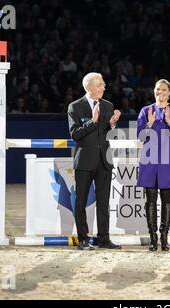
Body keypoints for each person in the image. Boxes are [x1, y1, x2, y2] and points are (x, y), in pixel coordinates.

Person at [68, 72, 122, 250]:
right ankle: (83, 239)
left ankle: (104, 239)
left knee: (103, 202)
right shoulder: (75, 107)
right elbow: (75, 134)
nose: (103, 88)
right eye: (100, 85)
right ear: (89, 87)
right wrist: (92, 121)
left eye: (103, 85)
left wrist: (112, 124)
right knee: (81, 201)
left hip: (104, 161)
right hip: (84, 161)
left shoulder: (108, 105)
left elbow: (108, 133)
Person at [137, 79, 170, 251]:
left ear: (169, 92)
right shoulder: (145, 111)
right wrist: (149, 123)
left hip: (167, 161)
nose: (160, 92)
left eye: (164, 90)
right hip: (149, 161)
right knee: (150, 200)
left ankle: (164, 236)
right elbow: (141, 137)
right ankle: (153, 237)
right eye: (158, 89)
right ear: (154, 91)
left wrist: (169, 120)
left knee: (166, 200)